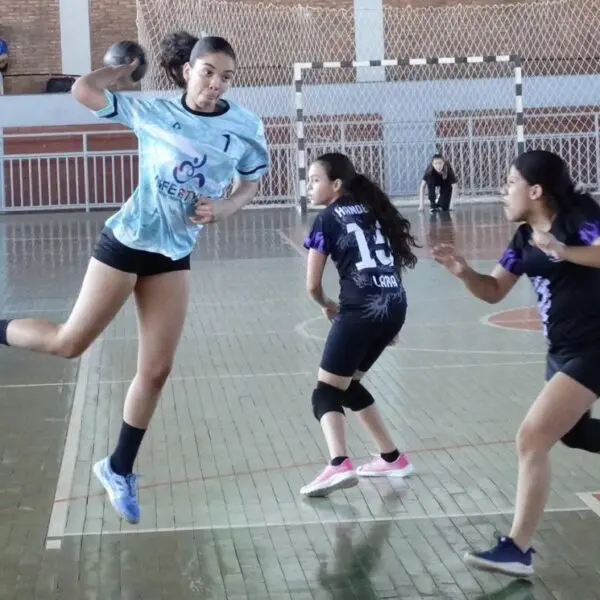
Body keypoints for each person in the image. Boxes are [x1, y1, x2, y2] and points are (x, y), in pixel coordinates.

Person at [0, 31, 269, 524]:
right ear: (187, 71)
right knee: (68, 344)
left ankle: (118, 467)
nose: (215, 84)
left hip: (174, 254)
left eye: (225, 77)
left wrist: (227, 205)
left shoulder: (245, 127)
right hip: (126, 242)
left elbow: (252, 179)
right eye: (207, 72)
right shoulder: (152, 113)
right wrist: (121, 71)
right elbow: (83, 91)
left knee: (157, 371)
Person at [433, 149, 600, 577]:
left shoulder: (578, 219)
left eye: (510, 183)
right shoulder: (525, 239)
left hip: (594, 345)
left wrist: (563, 250)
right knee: (576, 433)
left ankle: (518, 549)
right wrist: (464, 272)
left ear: (537, 190)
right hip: (563, 349)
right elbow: (493, 291)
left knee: (532, 438)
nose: (504, 191)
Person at [300, 152, 418, 497]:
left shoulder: (327, 220)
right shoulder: (375, 211)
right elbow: (390, 266)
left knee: (325, 392)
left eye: (315, 180)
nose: (310, 187)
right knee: (348, 386)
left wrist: (326, 306)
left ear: (336, 185)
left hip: (360, 309)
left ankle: (339, 463)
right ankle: (392, 458)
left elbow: (312, 286)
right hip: (394, 303)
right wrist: (390, 321)